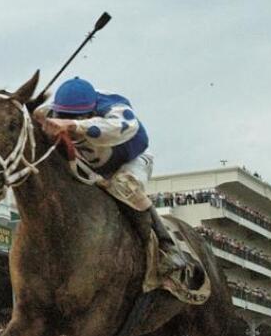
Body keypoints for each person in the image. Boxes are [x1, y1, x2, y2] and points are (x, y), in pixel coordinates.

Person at [35, 77, 201, 286]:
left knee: (124, 185)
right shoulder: (50, 111)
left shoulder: (116, 108)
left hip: (131, 159)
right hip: (92, 164)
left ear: (92, 111)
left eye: (76, 116)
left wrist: (74, 125)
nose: (66, 120)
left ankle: (166, 247)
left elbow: (122, 126)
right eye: (63, 116)